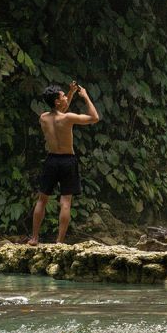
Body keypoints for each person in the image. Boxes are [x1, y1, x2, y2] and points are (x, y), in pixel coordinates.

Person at [28, 81, 100, 246]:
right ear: (57, 102)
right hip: (67, 160)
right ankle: (59, 241)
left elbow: (59, 111)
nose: (66, 99)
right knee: (65, 202)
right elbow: (94, 117)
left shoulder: (43, 118)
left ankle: (34, 238)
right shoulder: (68, 118)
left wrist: (70, 92)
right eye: (63, 97)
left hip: (51, 160)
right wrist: (85, 96)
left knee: (42, 200)